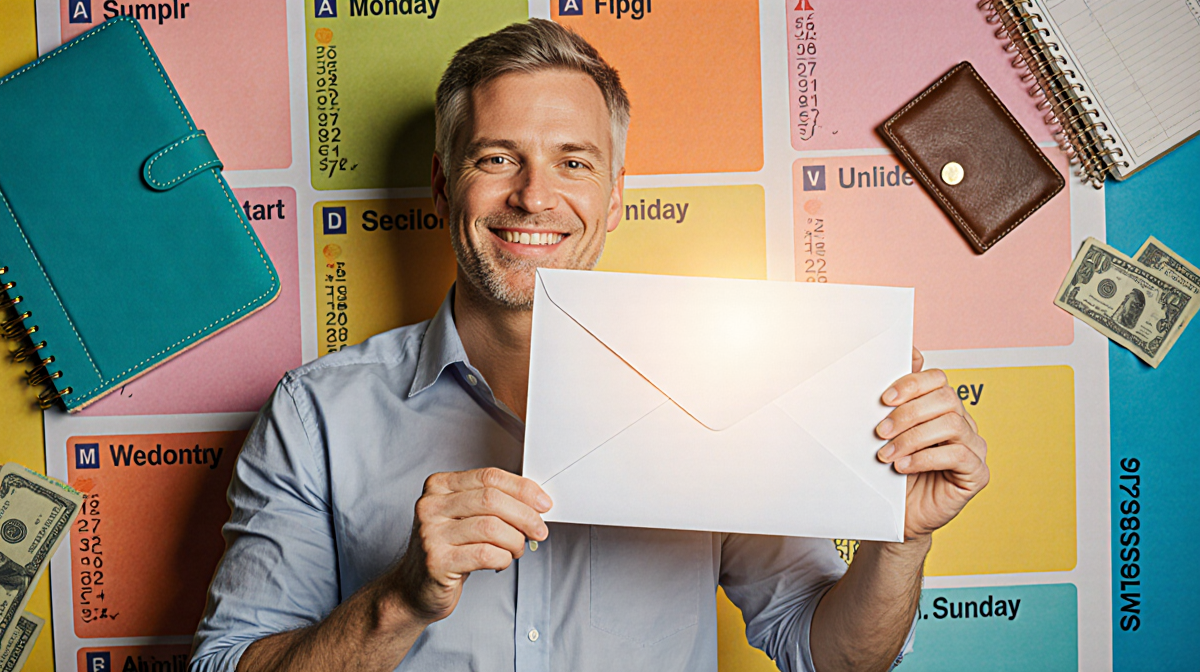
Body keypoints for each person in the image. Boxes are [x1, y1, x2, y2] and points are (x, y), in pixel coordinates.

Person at [189, 19, 988, 672]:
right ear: (442, 182)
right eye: (497, 158)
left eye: (573, 162)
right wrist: (400, 601)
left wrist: (901, 541)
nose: (534, 195)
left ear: (613, 198)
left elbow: (832, 658)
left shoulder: (728, 391)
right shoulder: (317, 414)